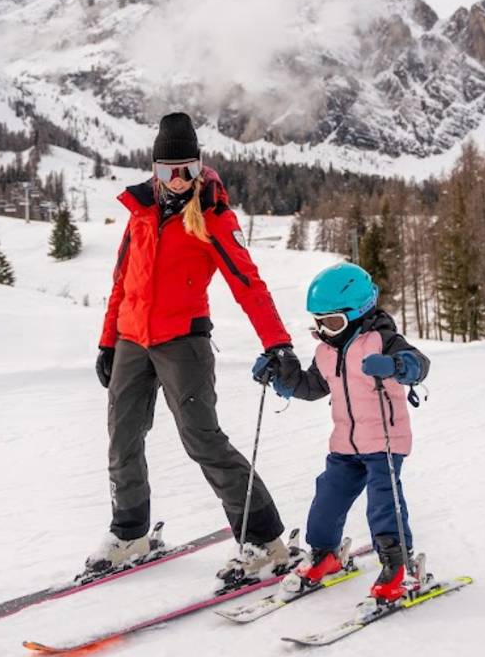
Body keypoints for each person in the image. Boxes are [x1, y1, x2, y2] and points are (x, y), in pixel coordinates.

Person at [87, 112, 301, 586]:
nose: (178, 180)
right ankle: (130, 533)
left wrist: (278, 343)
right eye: (168, 171)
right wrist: (108, 341)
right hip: (130, 340)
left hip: (183, 341)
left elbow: (248, 284)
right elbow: (123, 281)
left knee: (202, 439)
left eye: (188, 169)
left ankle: (264, 540)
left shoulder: (213, 217)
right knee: (122, 439)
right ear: (154, 169)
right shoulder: (140, 211)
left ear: (200, 166)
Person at [253, 262, 430, 603]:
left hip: (384, 443)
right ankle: (325, 553)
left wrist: (394, 365)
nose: (324, 331)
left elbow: (418, 365)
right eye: (319, 323)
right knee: (326, 500)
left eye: (332, 322)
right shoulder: (326, 352)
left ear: (360, 312)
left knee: (382, 504)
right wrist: (281, 377)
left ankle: (398, 565)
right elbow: (311, 387)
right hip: (344, 446)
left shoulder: (384, 341)